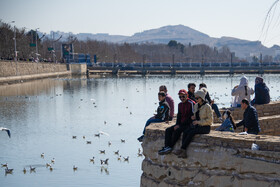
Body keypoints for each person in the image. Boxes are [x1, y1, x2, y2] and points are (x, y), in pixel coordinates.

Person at [174, 90, 213, 158]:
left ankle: (182, 149)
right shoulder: (196, 106)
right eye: (195, 98)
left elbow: (210, 121)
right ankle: (183, 151)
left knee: (191, 132)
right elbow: (196, 116)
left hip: (205, 127)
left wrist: (198, 122)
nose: (196, 99)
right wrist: (194, 118)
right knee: (186, 132)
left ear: (202, 98)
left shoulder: (207, 107)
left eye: (198, 98)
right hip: (197, 126)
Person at [158, 89, 195, 155]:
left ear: (187, 95)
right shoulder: (180, 105)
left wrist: (179, 125)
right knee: (168, 130)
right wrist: (177, 124)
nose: (182, 98)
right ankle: (167, 146)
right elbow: (179, 116)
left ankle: (170, 146)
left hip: (188, 124)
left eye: (183, 96)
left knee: (178, 130)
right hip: (181, 123)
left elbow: (191, 116)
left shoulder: (191, 103)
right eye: (180, 97)